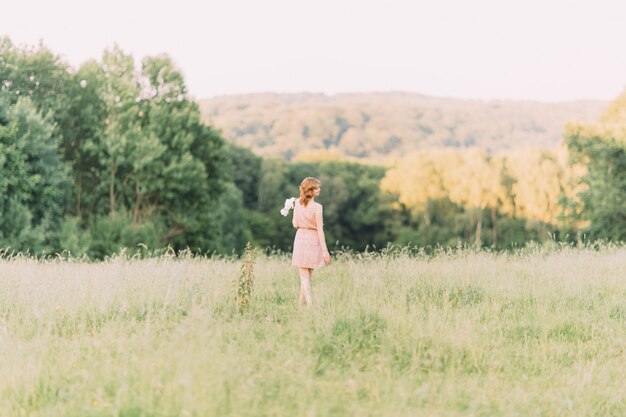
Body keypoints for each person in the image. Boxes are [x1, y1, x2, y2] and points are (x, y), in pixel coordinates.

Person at [291, 177, 331, 306]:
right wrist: (325, 251)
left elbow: (295, 224)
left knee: (304, 277)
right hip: (313, 239)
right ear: (310, 190)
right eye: (317, 188)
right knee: (307, 276)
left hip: (301, 237)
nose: (319, 189)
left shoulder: (297, 203)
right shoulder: (318, 207)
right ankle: (308, 305)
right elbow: (320, 230)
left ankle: (303, 304)